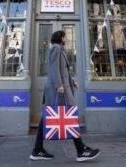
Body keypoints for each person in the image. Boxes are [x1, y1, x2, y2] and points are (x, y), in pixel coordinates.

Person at [30, 30, 100, 162]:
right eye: (64, 37)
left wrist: (72, 81)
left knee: (49, 118)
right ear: (60, 38)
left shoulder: (60, 49)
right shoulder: (55, 49)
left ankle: (37, 150)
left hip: (61, 89)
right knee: (69, 117)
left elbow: (63, 70)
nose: (66, 39)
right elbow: (53, 69)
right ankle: (81, 150)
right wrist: (58, 85)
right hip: (58, 91)